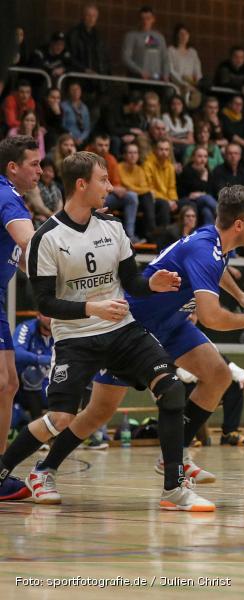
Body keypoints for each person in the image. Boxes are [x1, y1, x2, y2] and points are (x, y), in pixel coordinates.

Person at [3, 151, 208, 510]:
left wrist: (152, 283)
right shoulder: (46, 238)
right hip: (75, 339)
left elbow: (131, 281)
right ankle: (10, 470)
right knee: (61, 418)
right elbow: (46, 305)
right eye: (103, 180)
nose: (111, 187)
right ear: (81, 184)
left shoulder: (112, 227)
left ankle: (174, 489)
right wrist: (91, 308)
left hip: (122, 330)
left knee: (172, 390)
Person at [89, 186, 244, 491]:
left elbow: (218, 267)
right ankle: (45, 468)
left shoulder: (217, 243)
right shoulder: (205, 247)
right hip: (136, 325)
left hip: (172, 323)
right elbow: (212, 317)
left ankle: (174, 457)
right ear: (239, 224)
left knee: (217, 375)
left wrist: (240, 295)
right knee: (97, 412)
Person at [0, 137, 41, 500]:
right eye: (34, 163)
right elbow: (33, 244)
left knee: (8, 383)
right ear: (13, 167)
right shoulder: (7, 198)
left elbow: (27, 261)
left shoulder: (10, 195)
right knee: (3, 381)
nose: (40, 171)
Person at [90, 133, 140, 243]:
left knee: (131, 196)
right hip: (90, 198)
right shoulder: (86, 158)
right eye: (100, 145)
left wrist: (113, 189)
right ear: (94, 145)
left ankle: (129, 236)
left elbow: (116, 183)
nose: (103, 148)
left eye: (106, 145)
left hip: (107, 196)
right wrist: (110, 189)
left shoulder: (111, 159)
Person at [12, 312, 53, 425]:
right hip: (25, 391)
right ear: (38, 315)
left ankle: (93, 432)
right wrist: (39, 359)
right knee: (32, 373)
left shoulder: (62, 330)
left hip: (52, 387)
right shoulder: (27, 327)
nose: (51, 318)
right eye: (47, 314)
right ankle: (37, 427)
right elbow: (16, 353)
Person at [122, 5, 169, 81]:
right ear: (139, 20)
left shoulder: (159, 37)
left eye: (148, 18)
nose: (145, 22)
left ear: (153, 19)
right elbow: (126, 58)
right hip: (138, 77)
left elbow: (165, 58)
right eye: (142, 19)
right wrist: (140, 71)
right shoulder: (131, 36)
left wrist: (166, 74)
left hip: (157, 78)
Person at [176, 145, 217, 226]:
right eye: (200, 156)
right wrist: (204, 178)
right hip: (187, 200)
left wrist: (201, 194)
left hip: (202, 202)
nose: (203, 160)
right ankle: (224, 213)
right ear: (193, 157)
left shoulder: (208, 171)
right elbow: (192, 190)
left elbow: (211, 190)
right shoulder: (187, 171)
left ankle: (207, 237)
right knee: (206, 198)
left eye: (205, 157)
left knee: (207, 211)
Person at [167, 24, 202, 108]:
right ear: (177, 36)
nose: (183, 36)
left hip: (192, 85)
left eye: (186, 34)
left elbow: (198, 71)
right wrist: (183, 84)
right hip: (177, 85)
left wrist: (197, 83)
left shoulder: (192, 52)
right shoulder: (171, 50)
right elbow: (171, 70)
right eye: (181, 34)